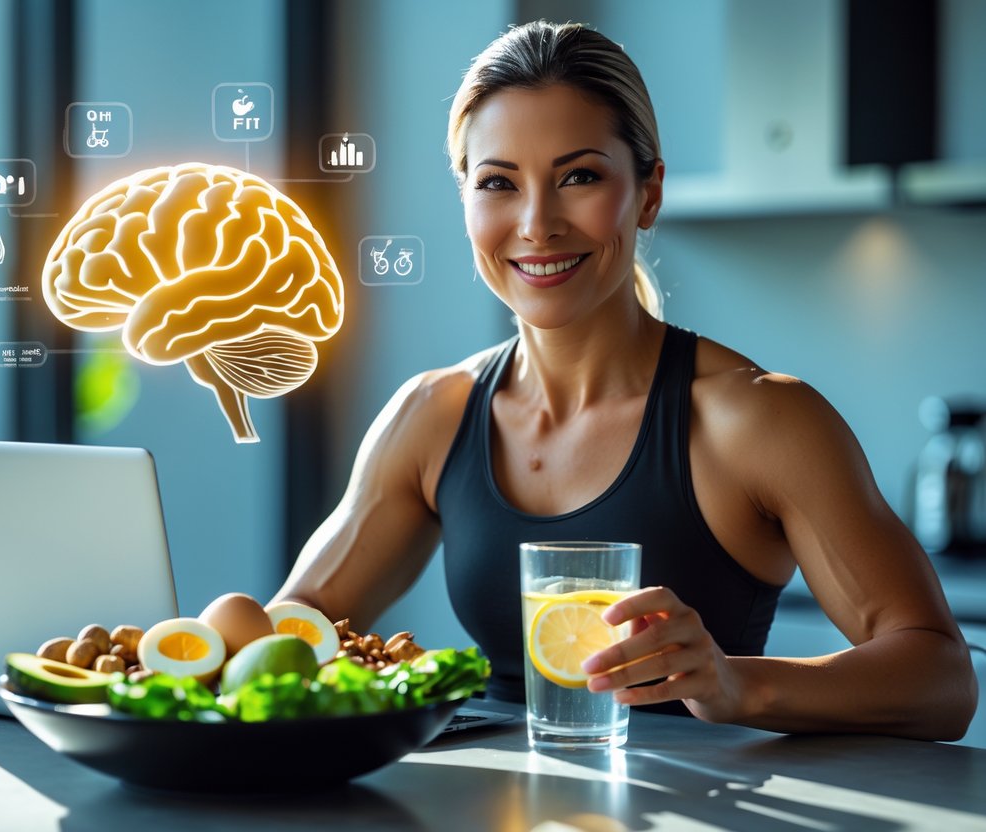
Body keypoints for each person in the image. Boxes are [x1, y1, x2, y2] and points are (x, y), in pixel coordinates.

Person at [271, 20, 977, 740]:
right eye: (497, 183)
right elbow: (289, 630)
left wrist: (736, 683)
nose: (536, 224)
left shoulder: (754, 419)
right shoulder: (432, 415)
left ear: (646, 192)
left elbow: (941, 679)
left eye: (578, 176)